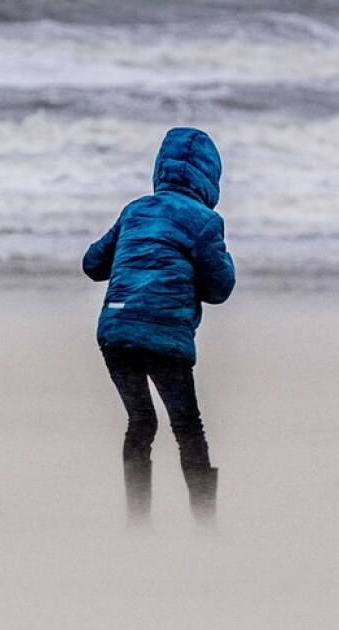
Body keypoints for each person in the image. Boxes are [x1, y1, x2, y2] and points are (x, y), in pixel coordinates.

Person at [82, 127, 235, 529]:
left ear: (160, 169)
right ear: (210, 177)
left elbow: (92, 263)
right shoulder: (204, 222)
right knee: (188, 428)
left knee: (141, 422)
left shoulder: (135, 211)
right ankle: (206, 526)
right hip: (165, 335)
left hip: (115, 331)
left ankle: (138, 525)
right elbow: (220, 289)